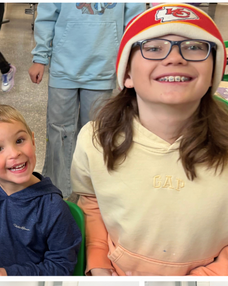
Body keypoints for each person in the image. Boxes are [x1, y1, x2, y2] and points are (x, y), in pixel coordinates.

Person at [71, 3, 228, 276]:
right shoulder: (94, 139)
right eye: (153, 47)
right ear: (127, 74)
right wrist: (98, 262)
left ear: (214, 73)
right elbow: (91, 203)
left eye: (195, 47)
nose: (175, 58)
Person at [29, 2, 144, 196]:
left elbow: (134, 23)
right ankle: (58, 191)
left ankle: (90, 190)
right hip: (63, 66)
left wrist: (128, 65)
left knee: (95, 132)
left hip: (104, 66)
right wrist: (40, 57)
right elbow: (47, 17)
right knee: (59, 131)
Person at [0, 104, 82, 276]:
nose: (14, 153)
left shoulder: (53, 208)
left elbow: (61, 267)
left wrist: (9, 275)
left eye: (19, 140)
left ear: (33, 141)